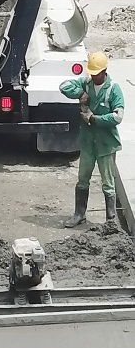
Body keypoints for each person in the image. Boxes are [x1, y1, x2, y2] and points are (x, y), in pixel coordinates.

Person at [59, 52, 124, 228]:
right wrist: (80, 93)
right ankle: (79, 214)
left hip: (106, 144)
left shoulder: (113, 89)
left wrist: (95, 119)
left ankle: (111, 220)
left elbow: (118, 117)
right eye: (92, 73)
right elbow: (63, 86)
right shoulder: (86, 84)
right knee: (82, 179)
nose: (94, 76)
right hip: (88, 142)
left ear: (105, 71)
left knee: (108, 183)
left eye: (97, 73)